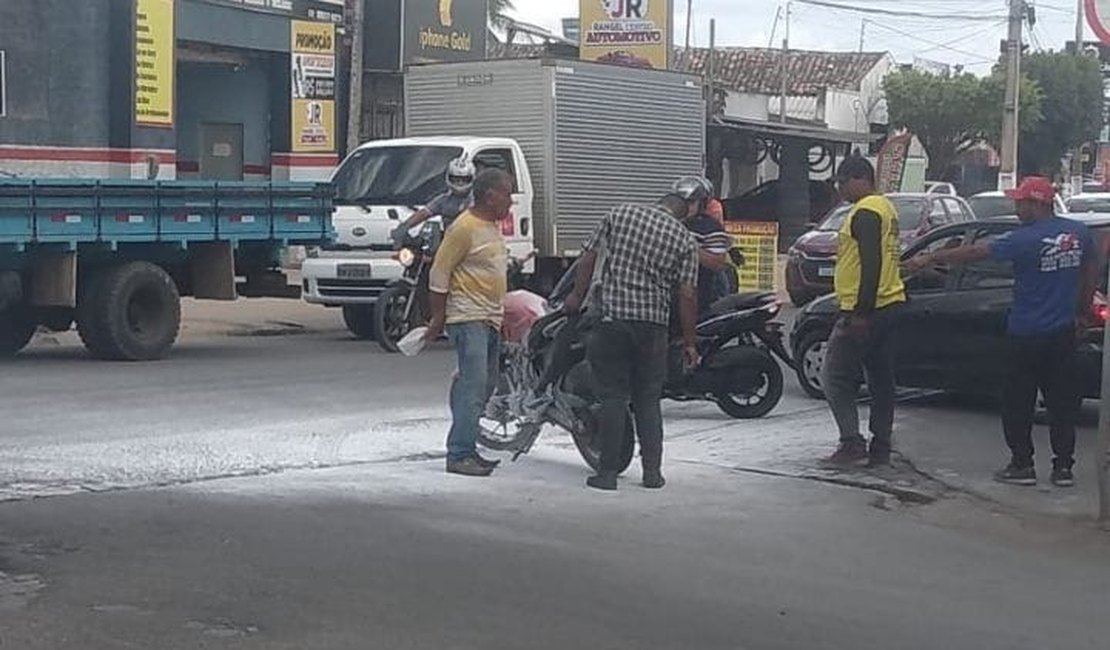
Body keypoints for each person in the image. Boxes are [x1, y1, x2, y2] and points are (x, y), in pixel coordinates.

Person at [903, 176, 1099, 487]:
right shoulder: (1078, 233)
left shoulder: (1023, 239)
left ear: (1036, 204)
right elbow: (1091, 270)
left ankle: (1022, 465)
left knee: (1018, 402)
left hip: (1026, 334)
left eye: (1020, 202)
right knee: (1062, 404)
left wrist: (932, 256)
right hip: (1063, 333)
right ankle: (1063, 467)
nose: (1016, 207)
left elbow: (975, 253)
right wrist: (1082, 311)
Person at [564, 191, 700, 491]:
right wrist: (690, 342)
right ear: (683, 214)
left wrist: (576, 296)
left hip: (613, 320)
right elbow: (687, 294)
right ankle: (652, 473)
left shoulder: (620, 213)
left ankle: (607, 474)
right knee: (648, 400)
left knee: (612, 396)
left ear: (659, 203)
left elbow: (588, 257)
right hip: (653, 327)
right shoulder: (685, 240)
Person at [424, 169, 513, 477]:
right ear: (490, 196)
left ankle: (468, 445)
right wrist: (438, 318)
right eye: (507, 195)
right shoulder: (464, 228)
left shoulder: (491, 227)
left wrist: (500, 314)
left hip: (489, 317)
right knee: (474, 385)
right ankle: (459, 453)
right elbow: (439, 273)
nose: (511, 202)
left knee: (485, 384)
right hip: (468, 316)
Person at [823, 156, 907, 468]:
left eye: (843, 182)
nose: (840, 189)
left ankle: (851, 443)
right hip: (890, 303)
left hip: (866, 309)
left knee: (834, 376)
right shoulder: (886, 208)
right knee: (881, 379)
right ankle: (881, 445)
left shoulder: (866, 212)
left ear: (860, 178)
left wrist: (861, 312)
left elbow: (871, 264)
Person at [674, 177, 733, 317]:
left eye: (691, 202)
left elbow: (717, 263)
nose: (686, 206)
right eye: (682, 202)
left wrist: (690, 247)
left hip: (698, 295)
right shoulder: (668, 222)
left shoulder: (710, 227)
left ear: (702, 203)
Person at [391, 157, 476, 245]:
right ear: (448, 178)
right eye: (456, 180)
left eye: (464, 180)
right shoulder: (444, 200)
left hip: (475, 244)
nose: (460, 183)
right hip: (449, 243)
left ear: (472, 178)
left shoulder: (477, 199)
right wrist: (404, 227)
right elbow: (424, 212)